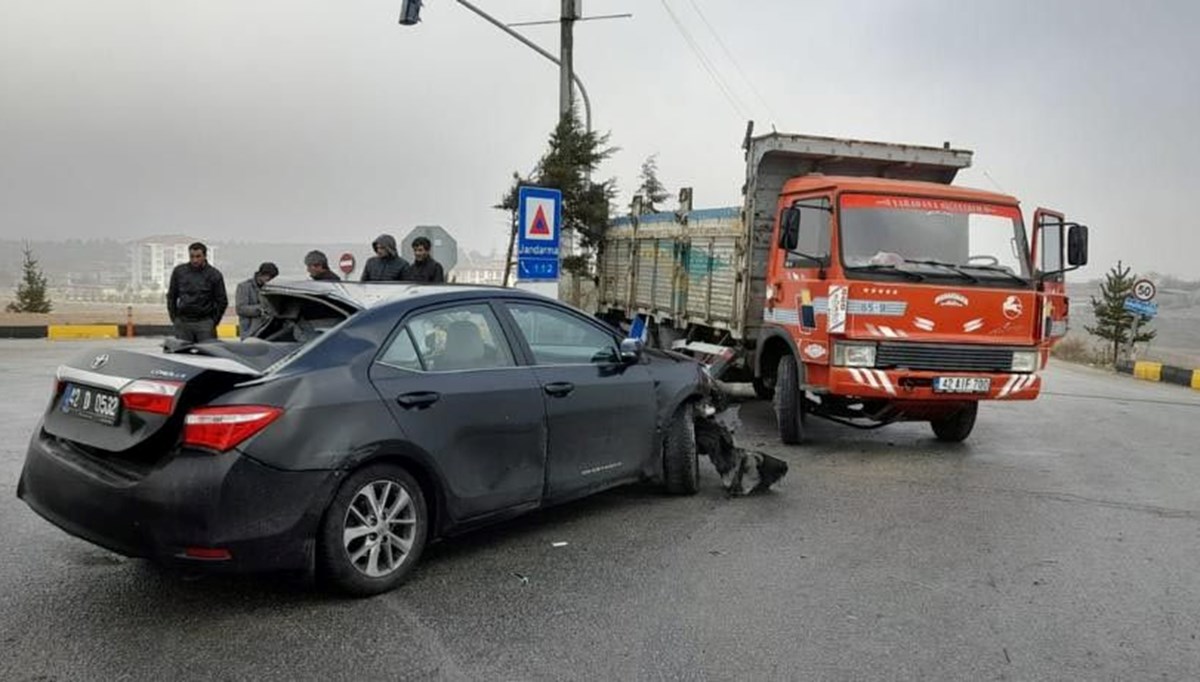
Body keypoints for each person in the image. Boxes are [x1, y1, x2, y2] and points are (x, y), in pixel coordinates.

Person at [167, 242, 227, 343]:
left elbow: (222, 301)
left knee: (207, 355)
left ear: (205, 256)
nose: (195, 260)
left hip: (204, 323)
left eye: (198, 256)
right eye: (192, 256)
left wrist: (213, 322)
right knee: (182, 356)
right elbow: (171, 296)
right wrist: (175, 319)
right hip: (183, 323)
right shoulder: (179, 272)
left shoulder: (214, 275)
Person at [235, 262, 279, 339]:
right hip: (250, 332)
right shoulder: (244, 287)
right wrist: (261, 309)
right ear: (260, 274)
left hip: (268, 333)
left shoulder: (272, 288)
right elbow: (240, 309)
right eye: (268, 278)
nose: (269, 281)